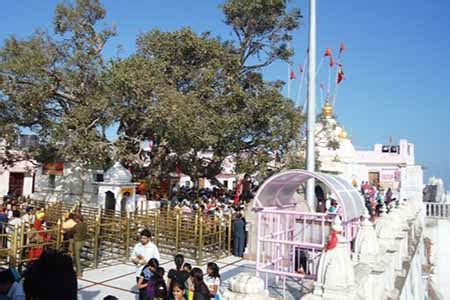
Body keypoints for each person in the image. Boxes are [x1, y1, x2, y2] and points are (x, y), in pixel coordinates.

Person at [131, 229, 160, 299]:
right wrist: (138, 261)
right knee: (142, 293)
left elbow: (157, 260)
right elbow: (132, 257)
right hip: (139, 273)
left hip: (149, 275)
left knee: (150, 293)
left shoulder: (153, 247)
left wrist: (147, 263)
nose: (142, 240)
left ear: (149, 238)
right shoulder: (137, 246)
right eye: (141, 238)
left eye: (144, 238)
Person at [72, 214, 88, 278]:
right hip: (83, 241)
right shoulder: (85, 225)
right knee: (78, 256)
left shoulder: (77, 226)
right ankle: (78, 272)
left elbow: (71, 231)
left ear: (78, 219)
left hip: (77, 242)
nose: (75, 220)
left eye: (76, 219)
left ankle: (79, 273)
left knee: (77, 258)